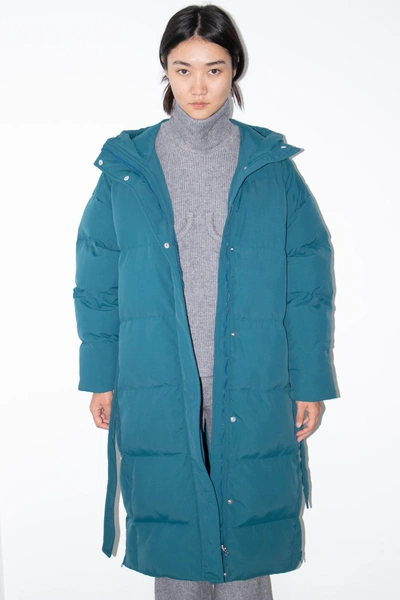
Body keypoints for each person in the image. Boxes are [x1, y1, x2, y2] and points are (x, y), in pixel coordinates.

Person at [73, 4, 339, 599]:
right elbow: (98, 281)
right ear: (165, 71)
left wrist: (310, 382)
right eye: (183, 69)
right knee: (176, 543)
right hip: (154, 379)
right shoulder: (127, 168)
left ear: (234, 70)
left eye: (214, 69)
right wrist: (102, 377)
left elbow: (308, 285)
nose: (198, 86)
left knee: (247, 544)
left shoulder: (270, 168)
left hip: (253, 378)